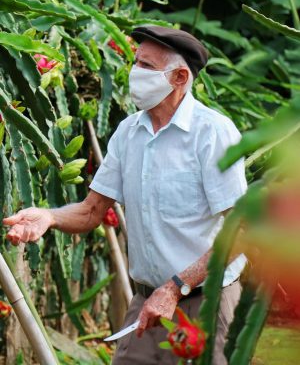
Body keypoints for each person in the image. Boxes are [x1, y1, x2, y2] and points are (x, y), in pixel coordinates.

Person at [3, 26, 247, 365]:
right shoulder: (128, 133)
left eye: (146, 66)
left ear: (179, 77)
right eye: (135, 63)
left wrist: (176, 287)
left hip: (207, 300)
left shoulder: (213, 134)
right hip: (149, 301)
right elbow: (91, 211)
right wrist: (49, 217)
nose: (134, 73)